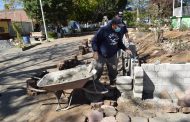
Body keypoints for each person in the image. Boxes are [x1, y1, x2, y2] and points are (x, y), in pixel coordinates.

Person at [92, 17, 132, 87]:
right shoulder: (103, 30)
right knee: (98, 69)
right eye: (118, 26)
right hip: (101, 55)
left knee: (113, 70)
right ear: (113, 25)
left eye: (120, 26)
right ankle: (94, 85)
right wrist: (95, 51)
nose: (120, 28)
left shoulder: (118, 32)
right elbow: (94, 41)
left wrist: (125, 49)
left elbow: (119, 43)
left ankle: (112, 84)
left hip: (112, 55)